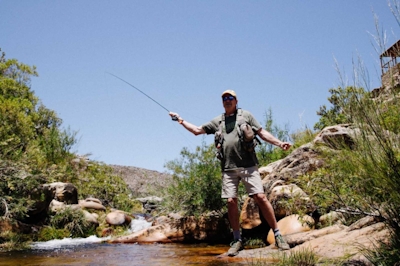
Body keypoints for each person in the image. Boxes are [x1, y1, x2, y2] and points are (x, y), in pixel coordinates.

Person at [169, 90, 291, 256]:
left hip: (248, 165)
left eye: (230, 98)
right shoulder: (218, 121)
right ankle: (237, 239)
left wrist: (279, 143)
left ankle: (277, 235)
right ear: (222, 102)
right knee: (231, 201)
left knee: (260, 197)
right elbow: (197, 130)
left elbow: (261, 132)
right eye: (224, 98)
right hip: (228, 168)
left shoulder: (246, 115)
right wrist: (180, 120)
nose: (227, 101)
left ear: (236, 100)